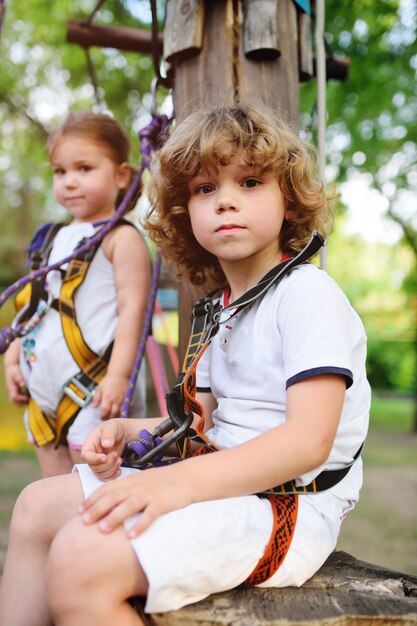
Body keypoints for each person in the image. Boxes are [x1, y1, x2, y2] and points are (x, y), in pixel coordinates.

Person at [0, 103, 370, 626]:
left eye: (249, 182)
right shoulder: (224, 310)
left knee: (81, 559)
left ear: (288, 201)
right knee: (37, 506)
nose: (225, 202)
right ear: (184, 210)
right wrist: (132, 431)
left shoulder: (307, 294)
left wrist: (171, 485)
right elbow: (206, 424)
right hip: (219, 484)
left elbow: (307, 441)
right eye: (204, 189)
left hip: (287, 506)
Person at [3, 111, 151, 478]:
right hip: (42, 383)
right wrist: (12, 360)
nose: (69, 181)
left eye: (84, 169)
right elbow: (37, 306)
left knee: (91, 486)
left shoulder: (121, 238)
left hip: (94, 385)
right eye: (60, 171)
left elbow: (134, 309)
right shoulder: (51, 240)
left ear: (120, 175)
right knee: (53, 490)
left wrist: (118, 376)